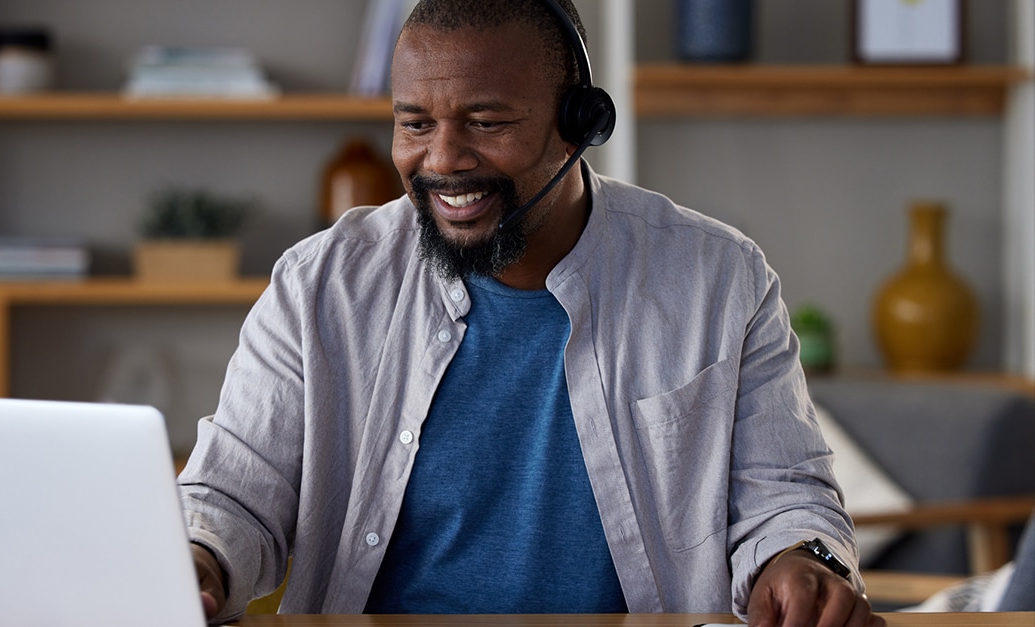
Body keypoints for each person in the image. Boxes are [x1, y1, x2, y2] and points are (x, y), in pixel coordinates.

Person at [179, 1, 884, 625]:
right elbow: (235, 492)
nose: (443, 160)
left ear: (580, 123)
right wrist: (199, 558)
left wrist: (801, 559)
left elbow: (786, 496)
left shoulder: (720, 279)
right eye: (416, 123)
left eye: (486, 122)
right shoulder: (319, 285)